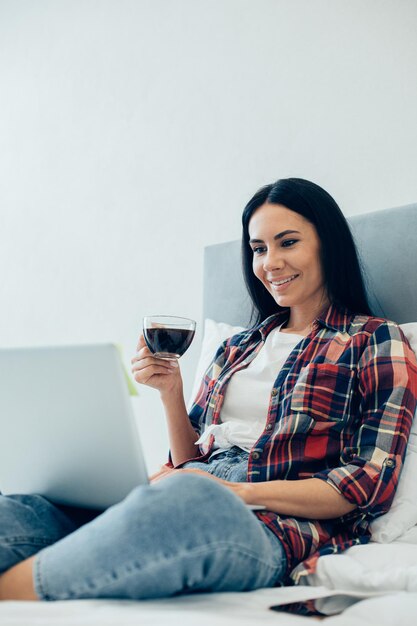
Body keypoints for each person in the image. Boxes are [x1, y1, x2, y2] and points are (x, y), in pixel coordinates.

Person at [1, 177, 416, 605]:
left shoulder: (374, 341)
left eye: (287, 242)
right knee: (20, 508)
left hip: (271, 521)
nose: (270, 262)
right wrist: (170, 393)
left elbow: (368, 484)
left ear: (327, 244)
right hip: (186, 489)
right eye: (258, 249)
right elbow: (189, 462)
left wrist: (238, 493)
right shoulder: (238, 346)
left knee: (188, 501)